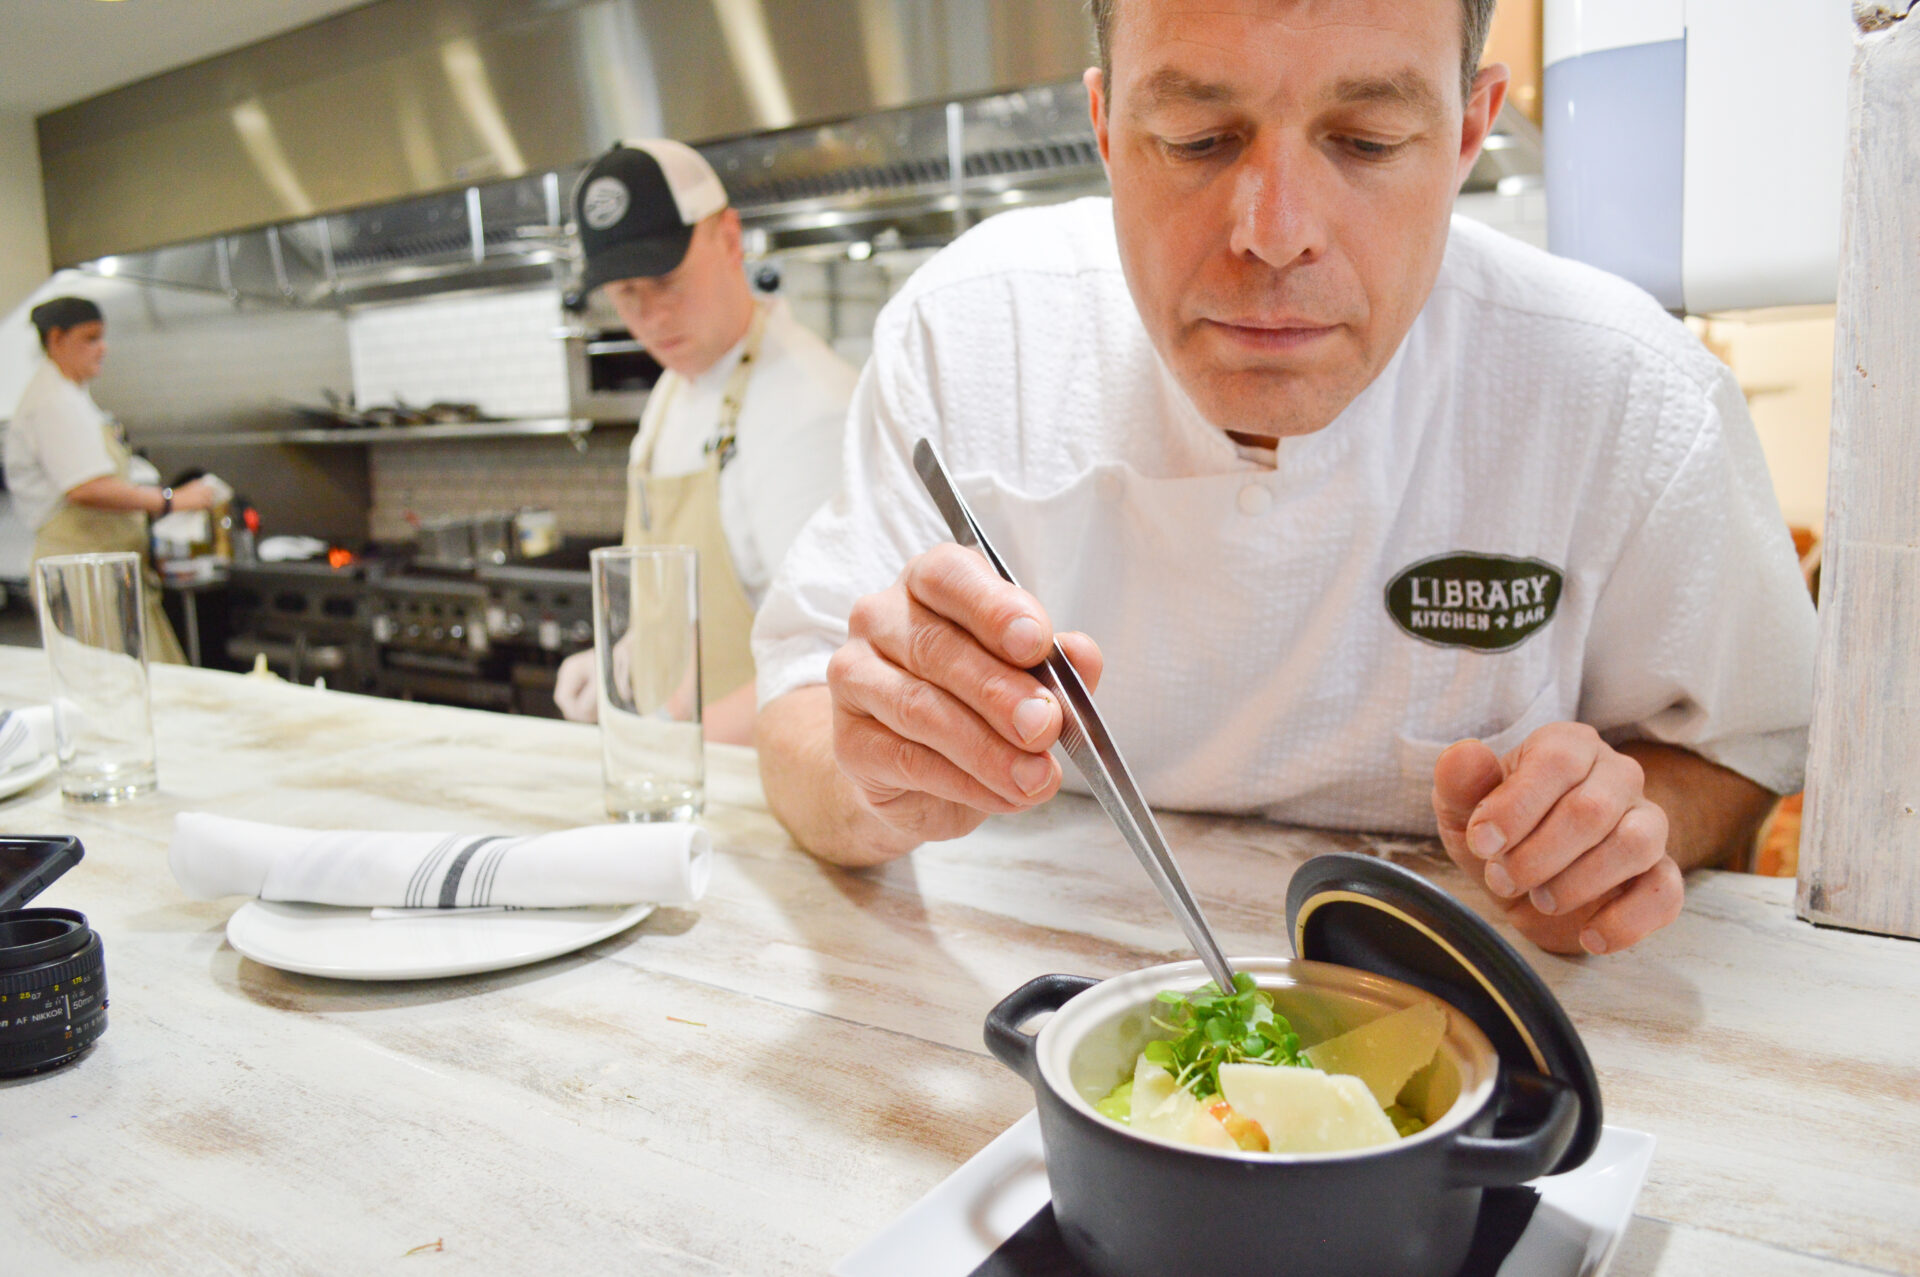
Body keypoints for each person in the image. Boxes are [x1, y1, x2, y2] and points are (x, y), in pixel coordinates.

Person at [750, 0, 1818, 958]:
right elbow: (799, 718)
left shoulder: (1631, 396)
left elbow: (1738, 749)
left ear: (1463, 133)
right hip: (1034, 988)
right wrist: (879, 771)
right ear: (1106, 130)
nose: (1274, 234)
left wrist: (1617, 826)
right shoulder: (973, 337)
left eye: (1367, 141)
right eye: (1197, 140)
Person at [551, 141, 858, 743]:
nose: (651, 318)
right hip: (680, 776)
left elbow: (840, 659)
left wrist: (677, 743)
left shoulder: (810, 409)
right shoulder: (674, 390)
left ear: (728, 238)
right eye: (624, 292)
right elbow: (679, 599)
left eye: (666, 279)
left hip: (768, 787)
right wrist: (624, 663)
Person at [6, 297, 218, 664]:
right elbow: (87, 488)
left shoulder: (73, 397)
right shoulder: (52, 401)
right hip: (83, 575)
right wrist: (173, 500)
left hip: (106, 571)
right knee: (111, 688)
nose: (102, 349)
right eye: (90, 338)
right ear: (57, 340)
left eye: (102, 338)